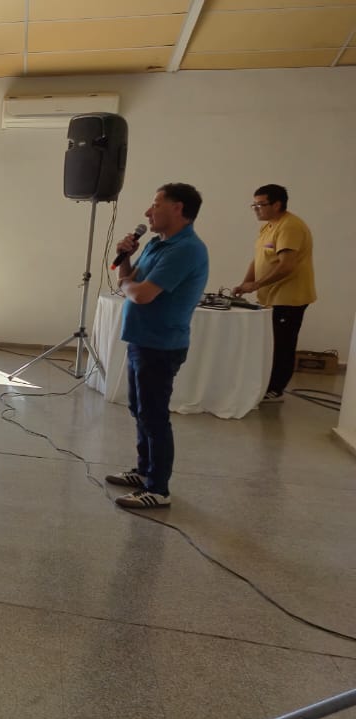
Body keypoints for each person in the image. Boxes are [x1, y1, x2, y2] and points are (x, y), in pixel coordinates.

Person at [106, 183, 209, 510]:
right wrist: (126, 262)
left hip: (161, 345)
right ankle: (143, 470)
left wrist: (127, 283)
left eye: (155, 205)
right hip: (142, 340)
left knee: (154, 416)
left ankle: (158, 488)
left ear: (178, 208)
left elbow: (143, 293)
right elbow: (132, 278)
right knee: (140, 409)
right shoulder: (154, 243)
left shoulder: (186, 250)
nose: (148, 212)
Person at [231, 184, 317, 403]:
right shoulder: (269, 226)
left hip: (289, 297)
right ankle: (266, 384)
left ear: (277, 204)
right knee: (270, 343)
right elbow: (259, 258)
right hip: (271, 297)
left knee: (282, 344)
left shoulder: (290, 226)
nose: (256, 209)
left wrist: (257, 284)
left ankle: (276, 390)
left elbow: (287, 266)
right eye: (254, 205)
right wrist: (246, 282)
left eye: (261, 204)